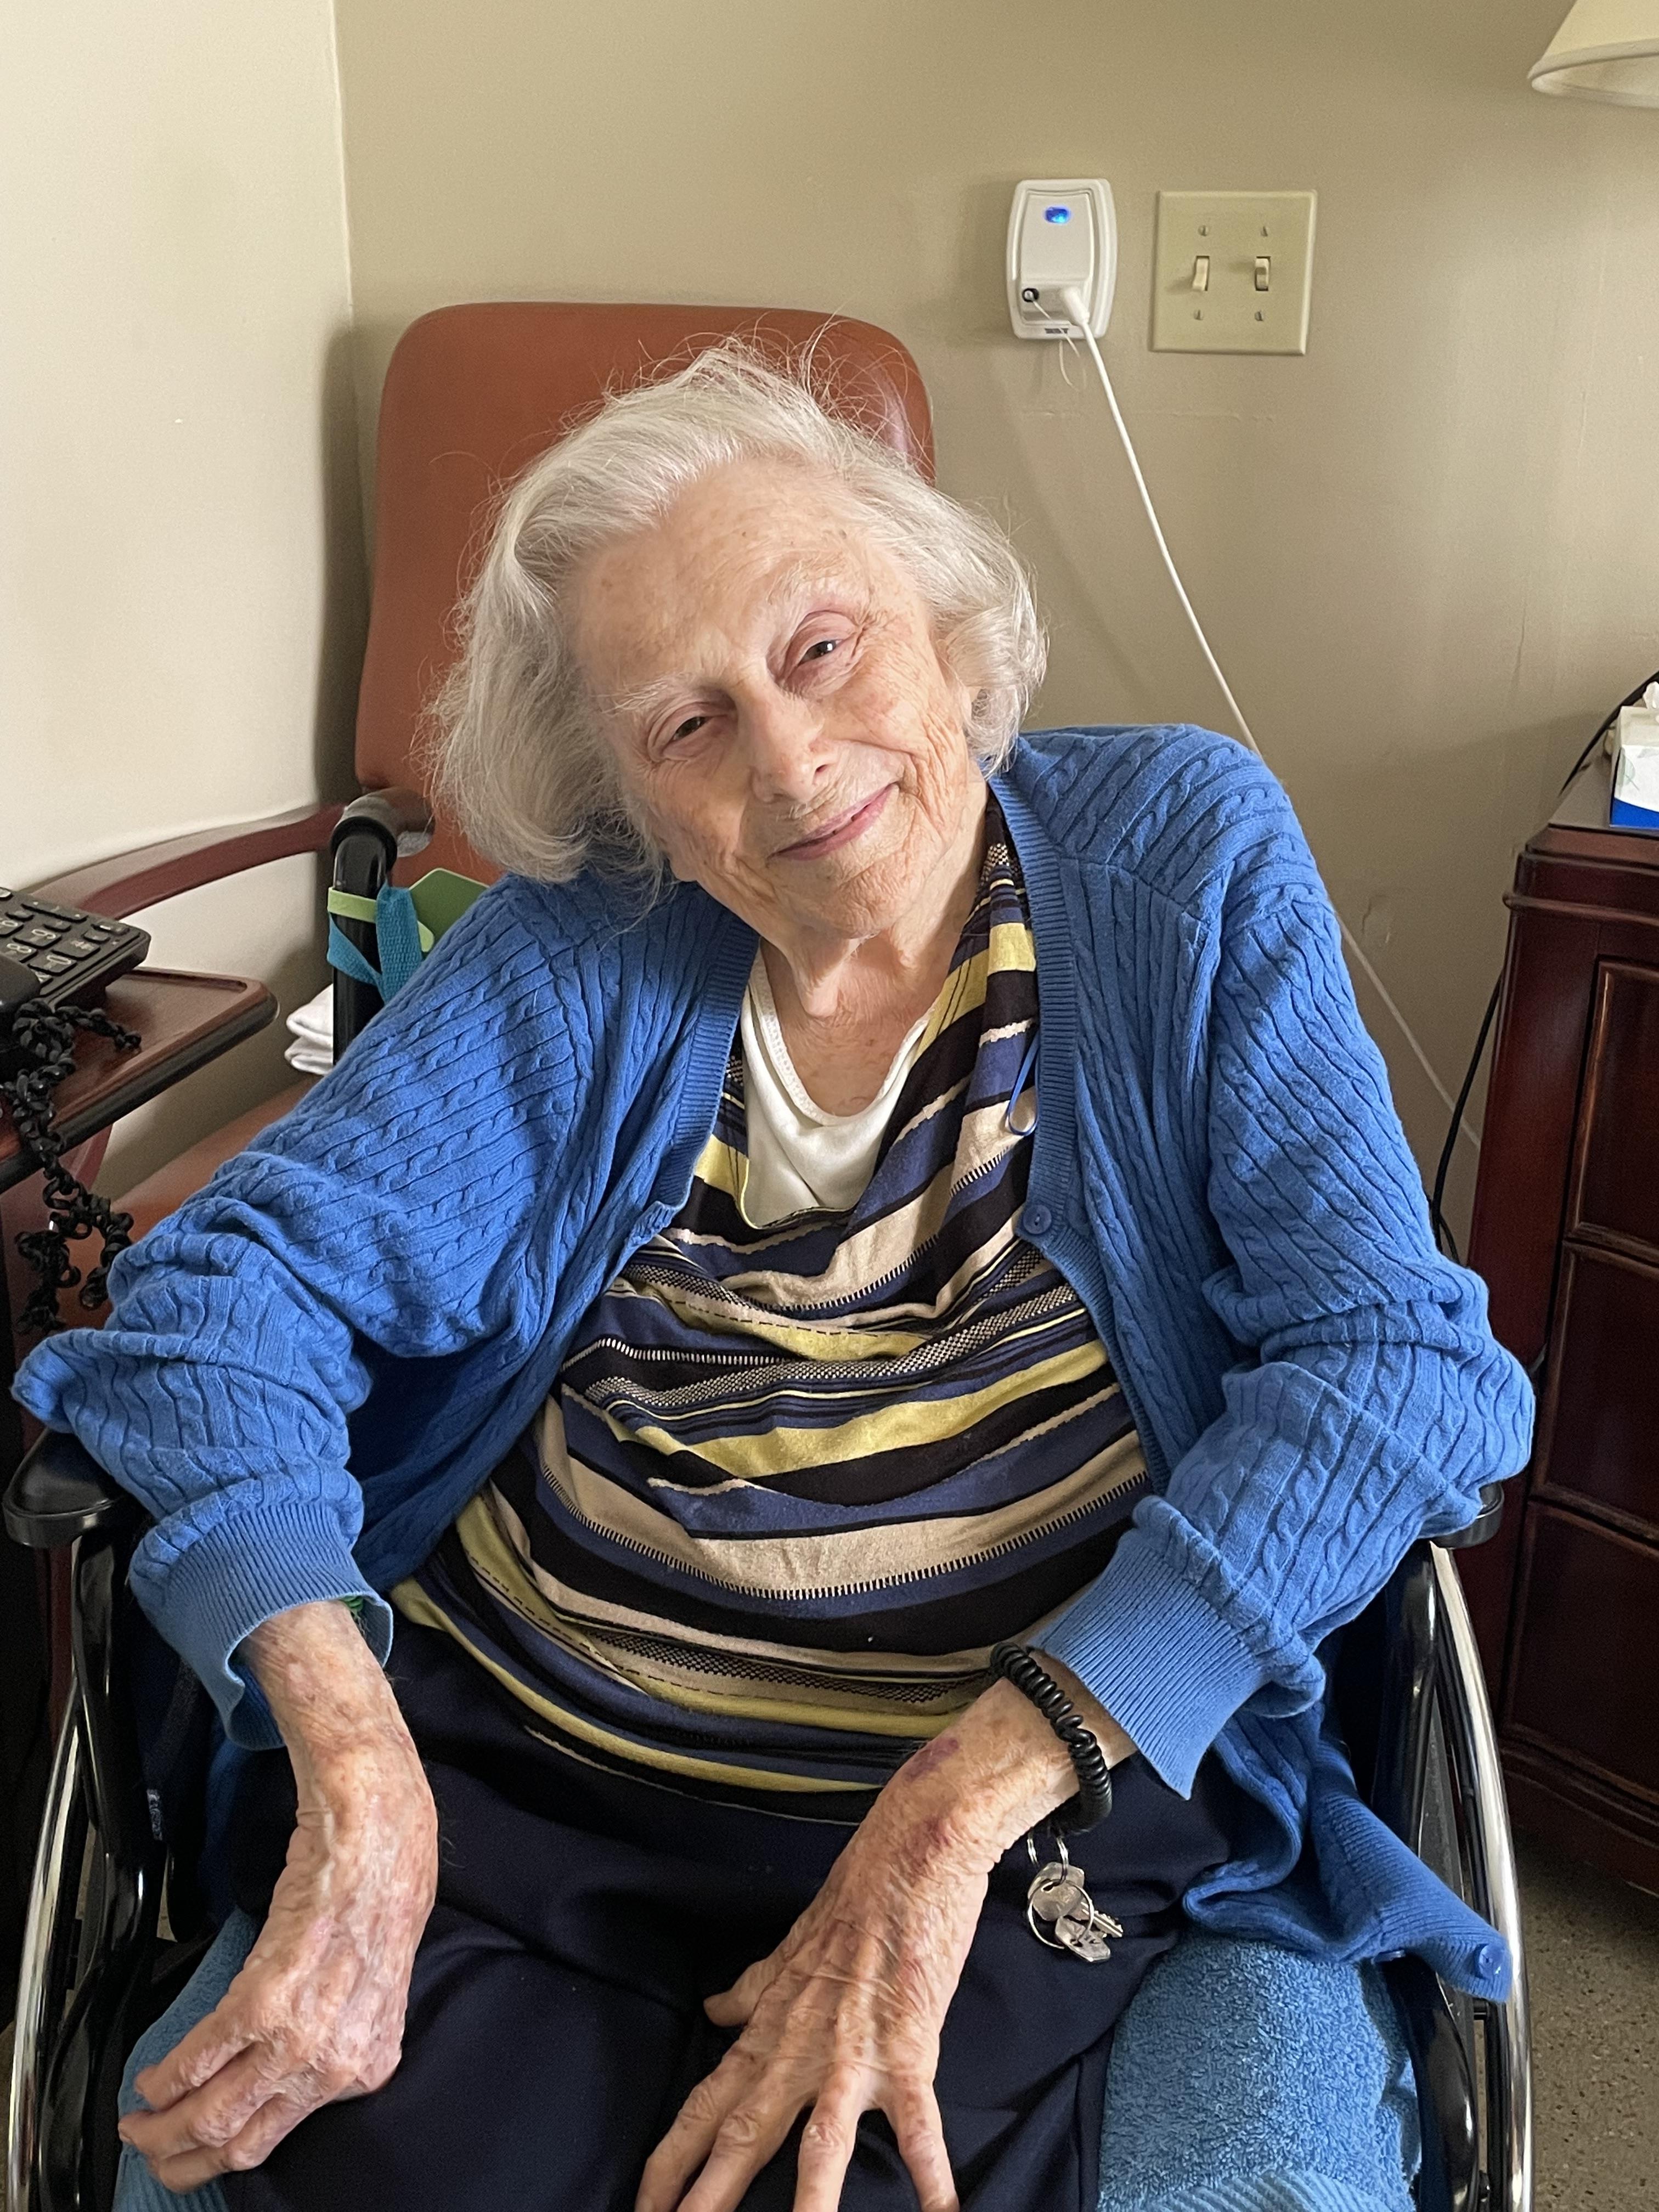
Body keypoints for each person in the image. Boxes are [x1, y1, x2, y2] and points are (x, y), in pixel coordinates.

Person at [15, 345, 1532, 2212]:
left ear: (951, 630)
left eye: (823, 650)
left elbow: (1393, 1365)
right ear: (633, 802)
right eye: (688, 725)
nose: (791, 762)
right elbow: (215, 1311)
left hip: (1036, 1798)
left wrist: (968, 1791)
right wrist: (353, 1749)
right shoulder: (581, 957)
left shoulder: (1179, 861)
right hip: (545, 1794)